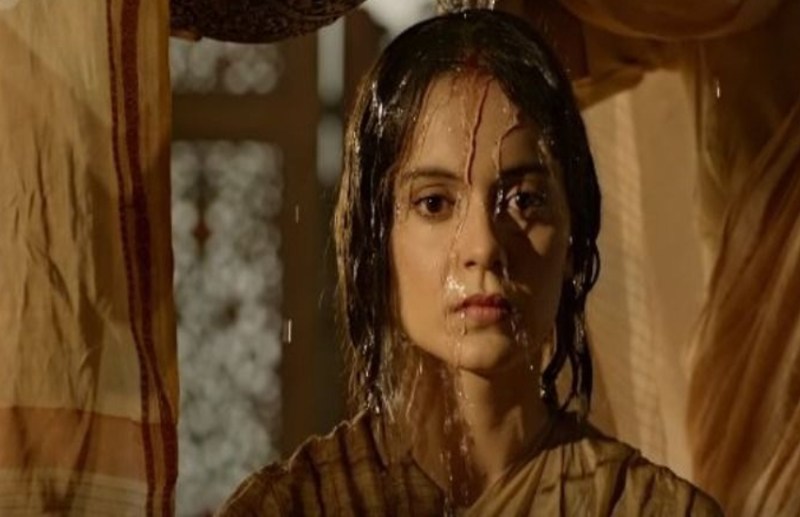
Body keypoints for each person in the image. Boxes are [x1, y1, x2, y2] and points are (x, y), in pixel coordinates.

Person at [218, 10, 721, 516]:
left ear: (573, 237)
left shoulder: (649, 509)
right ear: (376, 241)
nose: (483, 247)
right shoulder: (294, 508)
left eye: (524, 200)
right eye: (434, 203)